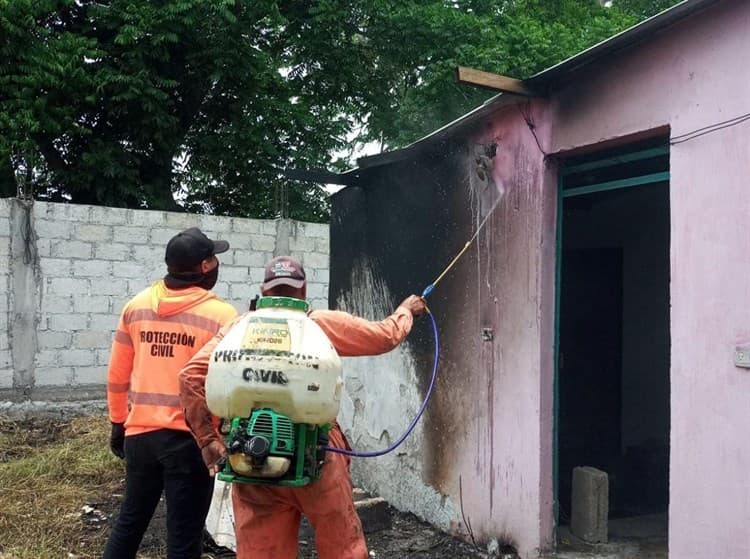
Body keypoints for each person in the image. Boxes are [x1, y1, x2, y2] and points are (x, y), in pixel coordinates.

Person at [179, 255, 426, 559]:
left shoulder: (238, 329)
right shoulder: (319, 324)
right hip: (317, 456)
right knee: (342, 548)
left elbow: (190, 376)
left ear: (264, 290)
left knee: (262, 553)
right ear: (304, 289)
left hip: (251, 459)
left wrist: (208, 442)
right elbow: (385, 337)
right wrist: (405, 311)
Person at [104, 227, 238, 559]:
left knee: (129, 524)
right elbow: (229, 385)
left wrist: (118, 423)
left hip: (141, 437)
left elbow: (118, 375)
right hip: (191, 442)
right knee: (183, 539)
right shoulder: (222, 316)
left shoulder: (136, 307)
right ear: (206, 266)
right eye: (214, 257)